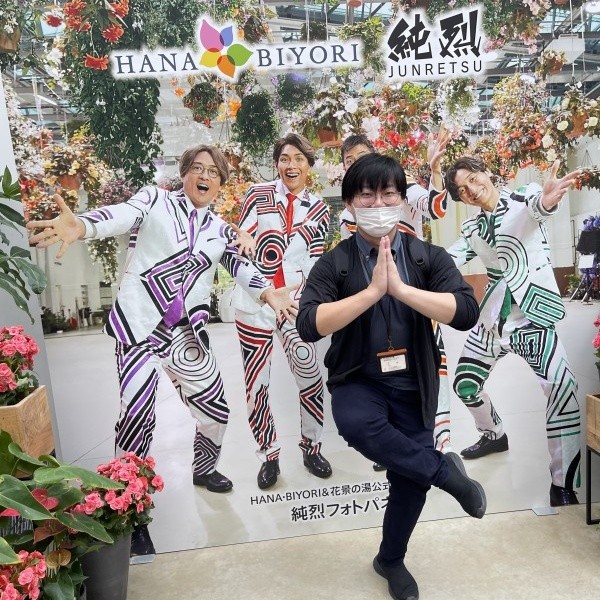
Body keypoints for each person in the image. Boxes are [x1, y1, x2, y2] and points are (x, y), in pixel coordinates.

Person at [27, 144, 298, 562]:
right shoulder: (154, 200)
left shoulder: (219, 229)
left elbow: (241, 265)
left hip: (184, 335)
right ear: (184, 173)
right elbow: (120, 215)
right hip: (138, 328)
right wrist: (81, 225)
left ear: (220, 184)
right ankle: (130, 515)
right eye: (197, 168)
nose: (204, 176)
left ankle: (204, 468)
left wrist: (266, 292)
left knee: (216, 410)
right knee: (138, 415)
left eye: (213, 172)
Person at [296, 154, 484, 600]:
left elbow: (465, 311)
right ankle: (445, 472)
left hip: (414, 382)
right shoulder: (335, 264)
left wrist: (400, 290)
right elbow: (308, 324)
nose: (378, 203)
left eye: (388, 194)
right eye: (366, 195)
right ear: (349, 203)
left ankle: (390, 560)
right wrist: (371, 293)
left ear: (401, 200)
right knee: (357, 423)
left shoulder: (426, 256)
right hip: (359, 380)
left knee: (410, 483)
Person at [444, 156, 582, 507]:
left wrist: (547, 202)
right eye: (462, 190)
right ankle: (494, 434)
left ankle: (563, 483)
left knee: (562, 388)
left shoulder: (525, 197)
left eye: (473, 178)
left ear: (486, 173)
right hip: (494, 319)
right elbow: (446, 260)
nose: (472, 189)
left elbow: (537, 209)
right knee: (465, 384)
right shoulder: (472, 229)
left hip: (535, 316)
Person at [338, 131, 454, 471]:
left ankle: (441, 443)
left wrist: (435, 171)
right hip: (376, 298)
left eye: (360, 157)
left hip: (415, 293)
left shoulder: (401, 187)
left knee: (432, 363)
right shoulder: (351, 209)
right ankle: (394, 447)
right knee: (384, 371)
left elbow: (437, 209)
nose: (355, 164)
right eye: (348, 162)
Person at [230, 132, 331, 490]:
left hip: (294, 305)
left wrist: (314, 302)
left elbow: (316, 262)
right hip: (255, 303)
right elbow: (239, 244)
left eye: (299, 159)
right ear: (277, 163)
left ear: (309, 165)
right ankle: (269, 455)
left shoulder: (319, 209)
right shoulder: (257, 194)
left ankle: (311, 448)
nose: (291, 165)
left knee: (310, 376)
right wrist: (243, 244)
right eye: (285, 158)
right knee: (257, 385)